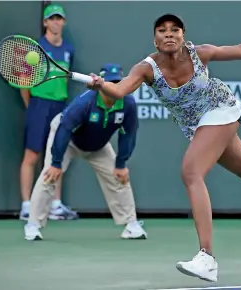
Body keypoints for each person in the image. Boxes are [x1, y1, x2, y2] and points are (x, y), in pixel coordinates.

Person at [86, 14, 241, 282]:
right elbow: (119, 91)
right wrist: (101, 85)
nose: (169, 34)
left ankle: (207, 257)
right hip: (197, 126)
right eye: (162, 30)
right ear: (154, 39)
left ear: (183, 36)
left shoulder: (200, 54)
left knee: (191, 172)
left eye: (175, 30)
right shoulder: (146, 68)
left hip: (221, 109)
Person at [24, 63, 148, 241]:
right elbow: (64, 128)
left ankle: (131, 224)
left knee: (119, 177)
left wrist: (121, 164)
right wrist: (56, 163)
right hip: (69, 141)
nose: (114, 86)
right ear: (101, 84)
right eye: (110, 82)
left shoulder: (127, 103)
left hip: (98, 146)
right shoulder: (85, 103)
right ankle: (33, 225)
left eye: (118, 83)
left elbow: (128, 134)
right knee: (49, 175)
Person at [19, 3, 78, 221]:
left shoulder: (68, 49)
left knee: (57, 155)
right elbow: (24, 82)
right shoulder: (35, 49)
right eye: (51, 18)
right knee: (32, 155)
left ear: (63, 22)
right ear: (45, 22)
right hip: (39, 104)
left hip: (59, 106)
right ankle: (26, 205)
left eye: (59, 18)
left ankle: (55, 205)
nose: (55, 22)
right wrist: (32, 105)